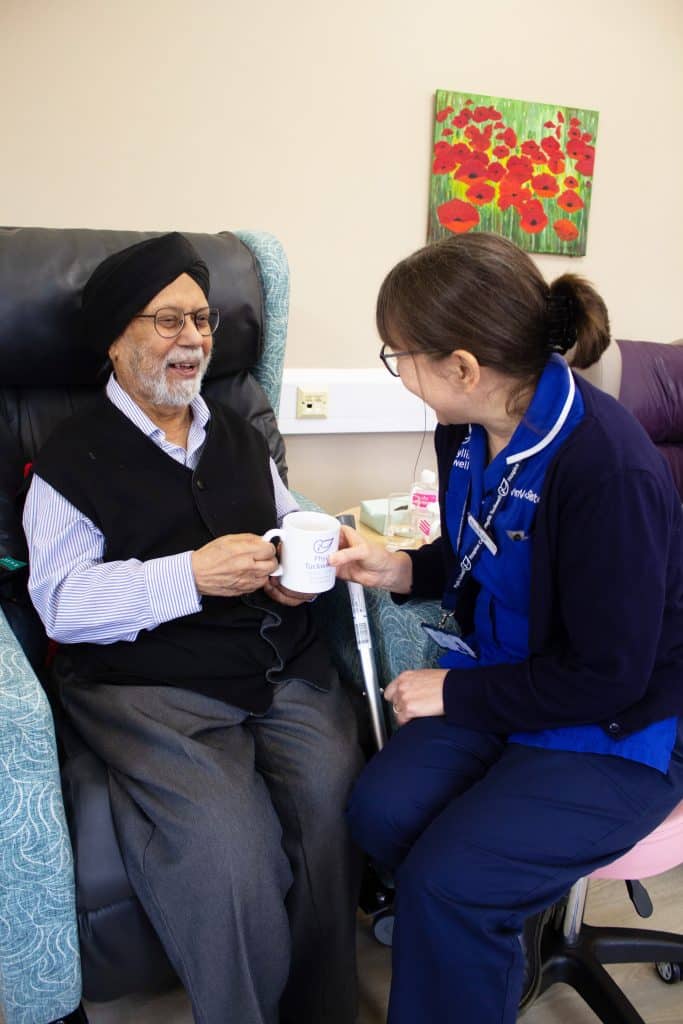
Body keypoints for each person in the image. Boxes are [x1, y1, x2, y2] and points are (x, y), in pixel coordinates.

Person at [329, 232, 683, 1024]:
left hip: (620, 717)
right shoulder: (469, 428)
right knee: (380, 812)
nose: (398, 371)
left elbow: (608, 675)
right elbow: (473, 545)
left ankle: (465, 918)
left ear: (461, 366)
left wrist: (456, 692)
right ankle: (480, 935)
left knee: (450, 884)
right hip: (514, 678)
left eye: (398, 355)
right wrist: (400, 569)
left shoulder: (605, 468)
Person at [23, 232, 362, 1024]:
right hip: (148, 686)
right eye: (166, 321)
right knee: (225, 854)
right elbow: (62, 605)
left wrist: (291, 579)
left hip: (277, 664)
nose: (194, 340)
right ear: (116, 340)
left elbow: (285, 523)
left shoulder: (239, 434)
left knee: (331, 804)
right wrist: (190, 575)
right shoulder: (69, 461)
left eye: (203, 320)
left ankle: (322, 1012)